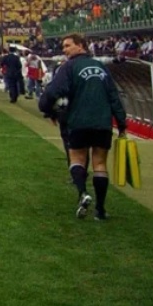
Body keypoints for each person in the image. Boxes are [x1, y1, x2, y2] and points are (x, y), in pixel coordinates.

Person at [40, 33, 127, 221]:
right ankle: (101, 210)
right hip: (102, 123)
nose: (64, 50)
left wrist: (46, 108)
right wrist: (121, 122)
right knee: (100, 163)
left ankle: (83, 193)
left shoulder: (68, 67)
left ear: (81, 46)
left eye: (68, 45)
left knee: (77, 158)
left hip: (78, 121)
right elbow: (113, 96)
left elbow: (55, 91)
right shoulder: (101, 67)